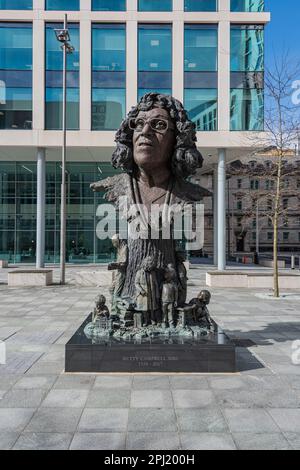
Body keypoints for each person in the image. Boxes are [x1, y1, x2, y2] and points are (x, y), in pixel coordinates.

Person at [91, 93, 210, 311]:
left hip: (168, 294)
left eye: (159, 125)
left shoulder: (187, 193)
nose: (145, 132)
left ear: (178, 139)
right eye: (139, 124)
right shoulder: (116, 187)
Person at [134, 255, 160, 326]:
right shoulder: (139, 272)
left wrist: (157, 294)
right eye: (151, 265)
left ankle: (152, 319)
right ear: (147, 264)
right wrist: (141, 290)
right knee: (144, 308)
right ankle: (146, 320)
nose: (152, 267)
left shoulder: (153, 273)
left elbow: (156, 284)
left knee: (152, 307)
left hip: (152, 293)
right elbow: (136, 283)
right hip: (144, 294)